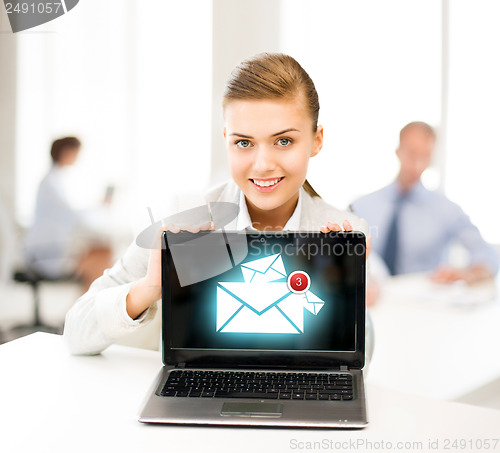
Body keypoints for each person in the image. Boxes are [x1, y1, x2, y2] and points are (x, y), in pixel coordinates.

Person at [63, 53, 374, 358]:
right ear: (227, 139)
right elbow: (76, 331)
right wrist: (152, 285)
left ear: (316, 140)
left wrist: (346, 297)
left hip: (301, 397)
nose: (262, 164)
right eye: (244, 142)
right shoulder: (181, 217)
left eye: (283, 141)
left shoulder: (345, 234)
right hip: (199, 397)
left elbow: (357, 364)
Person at [351, 121, 499, 282]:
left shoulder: (446, 210)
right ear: (398, 152)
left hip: (423, 303)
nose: (417, 164)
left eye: (425, 156)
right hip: (369, 300)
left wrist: (468, 274)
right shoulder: (361, 207)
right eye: (412, 154)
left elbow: (487, 254)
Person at [24, 137, 113, 291]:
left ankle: (84, 309)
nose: (77, 157)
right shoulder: (50, 183)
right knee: (101, 255)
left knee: (102, 253)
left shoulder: (55, 180)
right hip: (46, 253)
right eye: (76, 153)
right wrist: (99, 206)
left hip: (53, 249)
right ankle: (85, 310)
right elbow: (72, 216)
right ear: (66, 152)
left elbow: (70, 215)